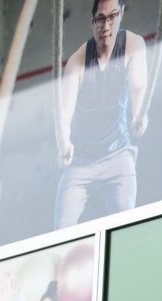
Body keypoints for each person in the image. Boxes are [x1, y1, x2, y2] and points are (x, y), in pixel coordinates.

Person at [55, 0, 148, 227]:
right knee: (61, 228)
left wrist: (138, 116)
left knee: (127, 224)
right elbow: (63, 115)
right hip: (81, 161)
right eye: (100, 18)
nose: (106, 25)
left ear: (121, 15)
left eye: (112, 16)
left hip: (117, 155)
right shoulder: (77, 63)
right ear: (92, 22)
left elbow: (138, 88)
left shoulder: (133, 46)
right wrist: (64, 143)